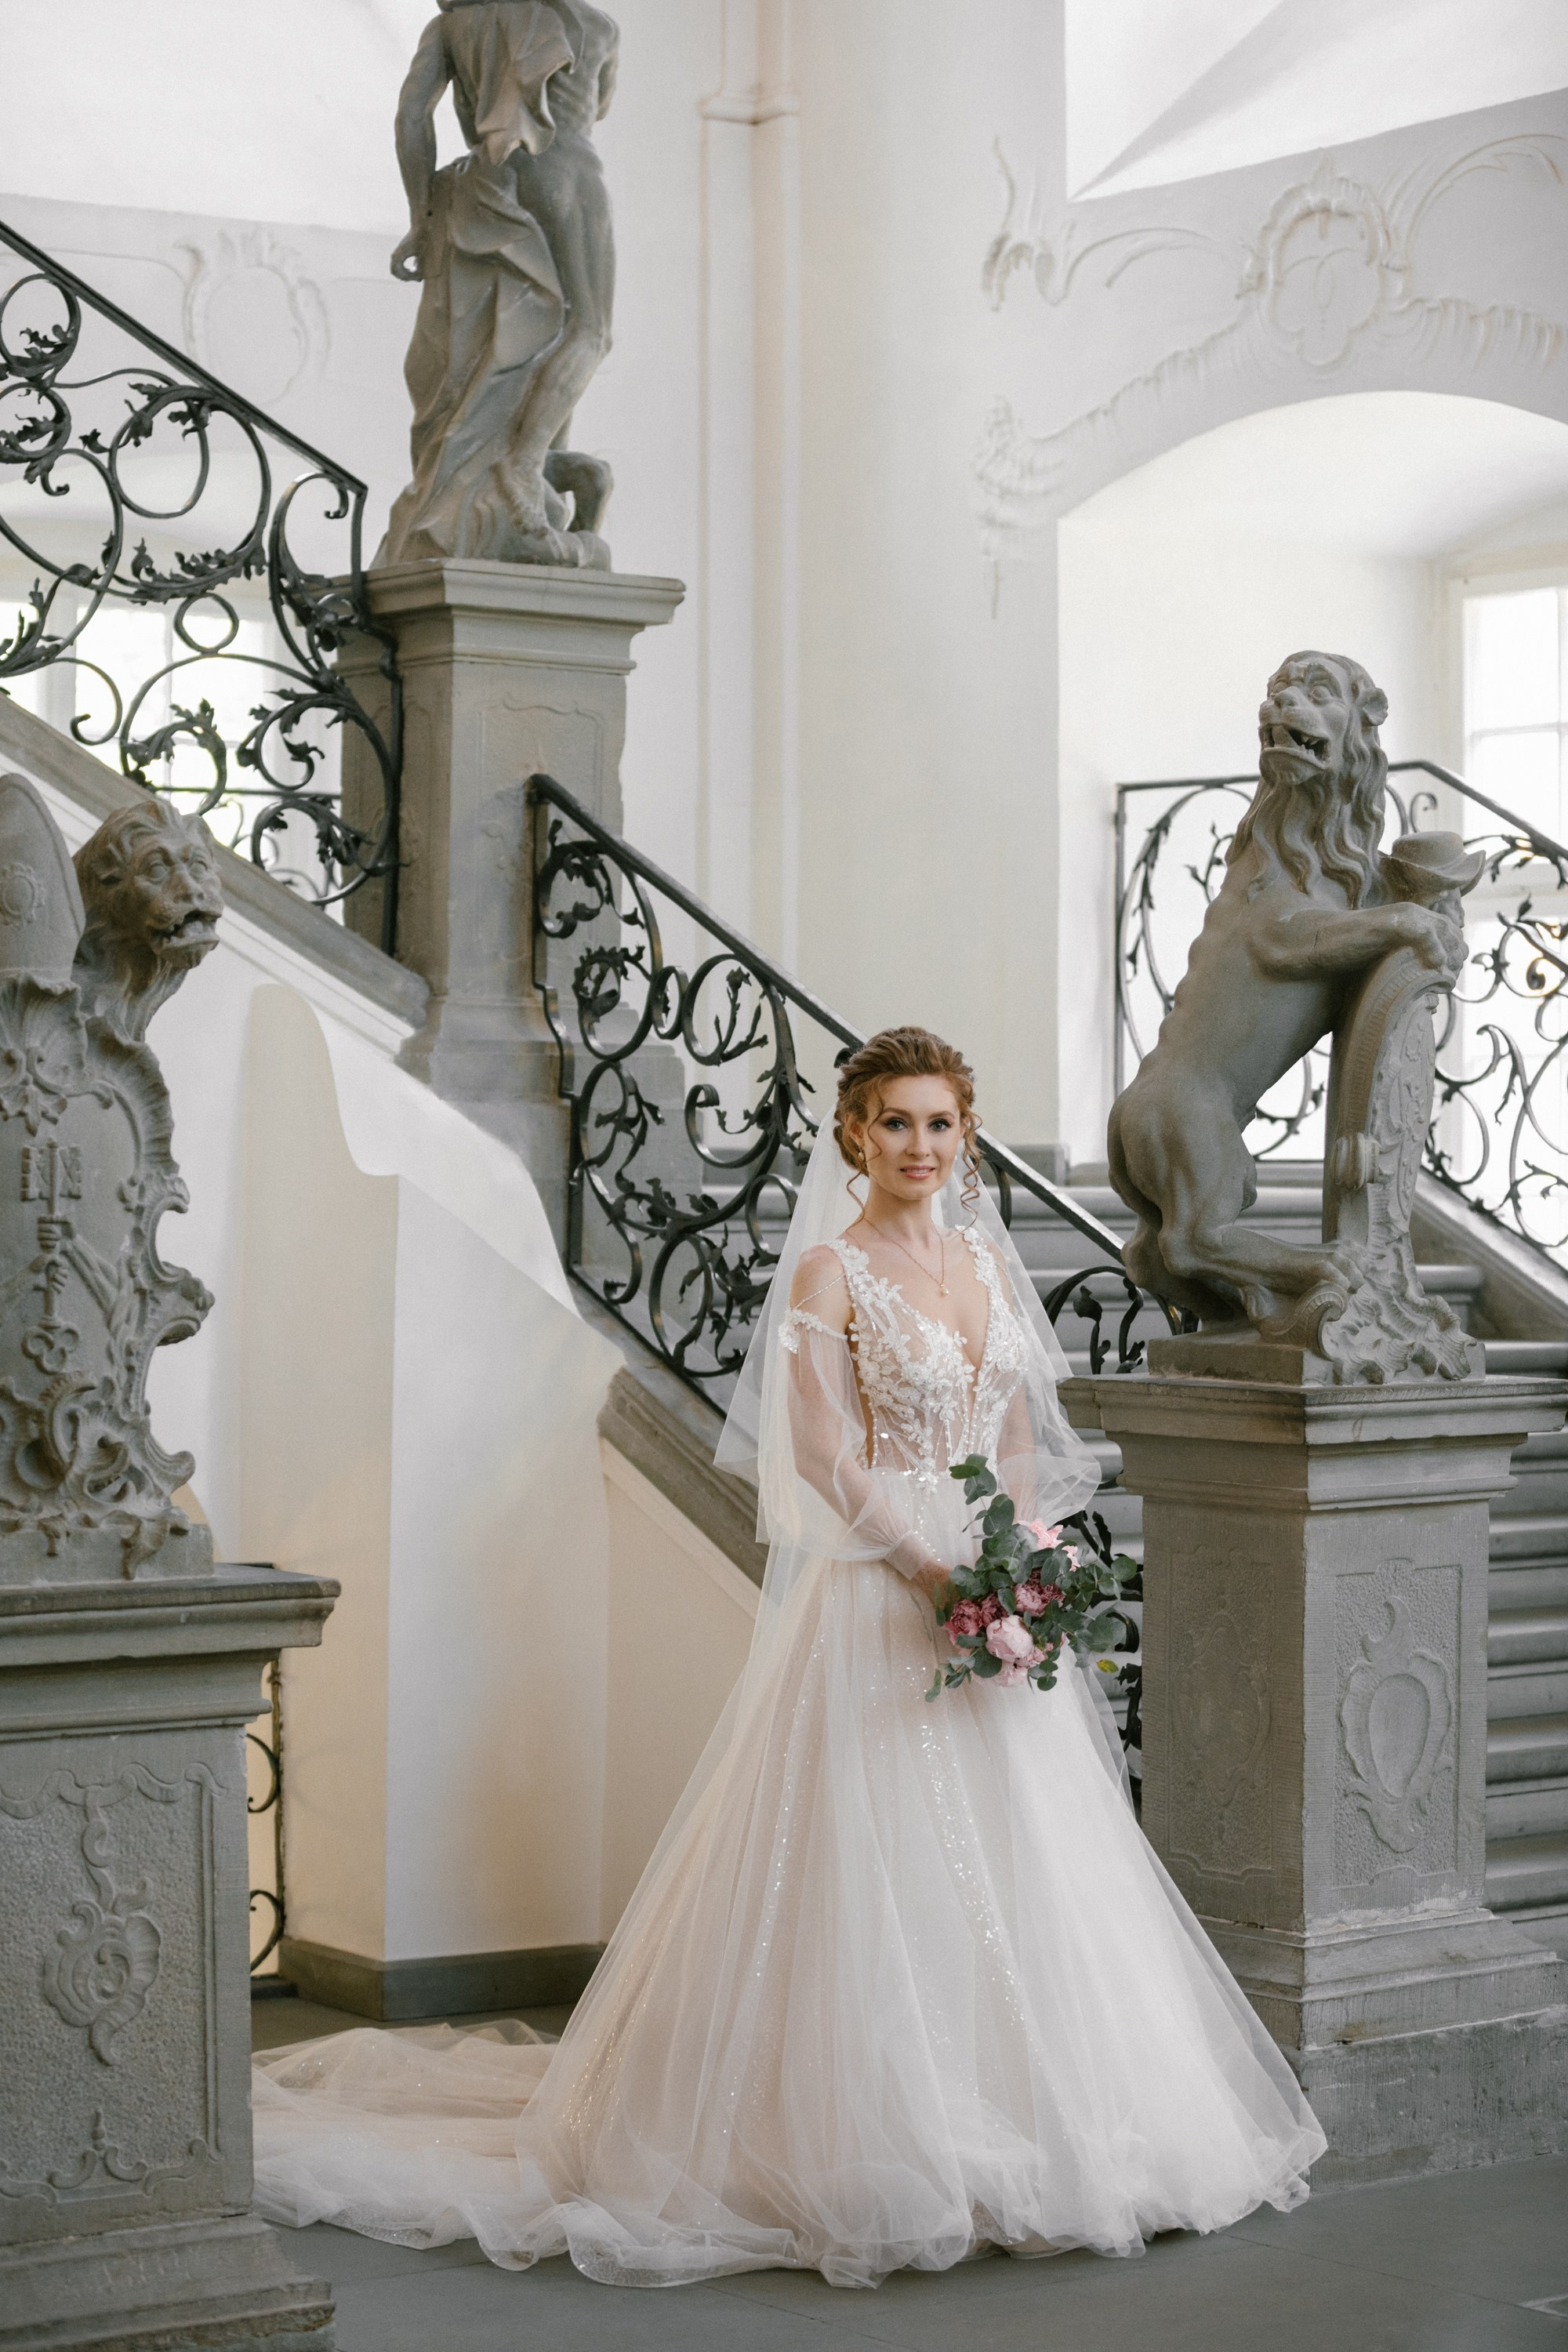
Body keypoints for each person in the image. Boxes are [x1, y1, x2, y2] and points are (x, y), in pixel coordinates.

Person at [253, 1025, 1326, 2289]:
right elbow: (820, 1457)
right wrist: (932, 1572)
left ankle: (1039, 2128)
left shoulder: (985, 1264)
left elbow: (1029, 1435)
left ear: (965, 1136)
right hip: (881, 1593)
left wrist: (1021, 1553)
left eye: (939, 1124)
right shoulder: (831, 1271)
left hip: (988, 1577)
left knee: (1029, 1854)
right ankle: (860, 2137)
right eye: (894, 1123)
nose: (918, 1146)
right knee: (866, 1859)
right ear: (853, 1134)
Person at [379, 0, 619, 567]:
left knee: (514, 340)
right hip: (567, 169)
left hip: (486, 183)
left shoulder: (450, 25)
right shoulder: (596, 25)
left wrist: (421, 218)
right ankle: (525, 464)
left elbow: (411, 118)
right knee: (588, 329)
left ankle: (546, 467)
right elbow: (598, 105)